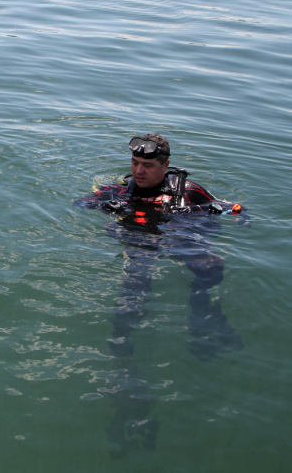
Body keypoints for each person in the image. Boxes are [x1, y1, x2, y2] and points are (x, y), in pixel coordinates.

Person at [76, 133, 246, 456]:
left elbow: (228, 209)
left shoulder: (188, 192)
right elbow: (81, 203)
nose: (139, 171)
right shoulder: (122, 191)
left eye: (148, 165)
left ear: (165, 166)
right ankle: (124, 364)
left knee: (210, 266)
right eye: (135, 163)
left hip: (180, 235)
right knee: (130, 300)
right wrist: (104, 210)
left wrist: (240, 216)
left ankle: (202, 313)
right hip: (142, 244)